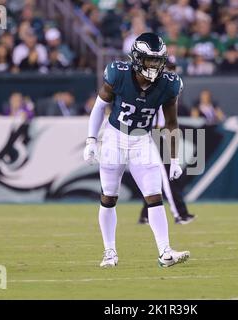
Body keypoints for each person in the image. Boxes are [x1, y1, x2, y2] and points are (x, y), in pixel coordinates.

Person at [83, 32, 190, 268]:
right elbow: (100, 107)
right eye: (150, 60)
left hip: (142, 141)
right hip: (114, 138)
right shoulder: (118, 74)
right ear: (137, 58)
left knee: (154, 197)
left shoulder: (168, 85)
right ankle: (109, 252)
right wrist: (91, 139)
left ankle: (165, 252)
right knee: (108, 198)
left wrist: (173, 159)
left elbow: (171, 124)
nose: (154, 65)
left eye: (158, 60)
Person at [137, 61, 196, 225]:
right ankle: (180, 214)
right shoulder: (155, 87)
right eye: (170, 71)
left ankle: (145, 214)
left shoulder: (167, 87)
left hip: (158, 133)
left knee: (157, 177)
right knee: (167, 175)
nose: (172, 75)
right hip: (153, 133)